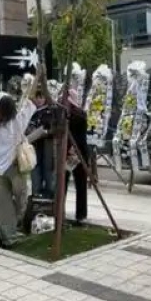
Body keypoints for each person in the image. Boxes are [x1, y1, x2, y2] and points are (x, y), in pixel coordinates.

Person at [0, 87, 38, 248]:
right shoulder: (17, 123)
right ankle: (15, 229)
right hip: (15, 167)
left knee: (3, 203)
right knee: (21, 198)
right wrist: (35, 81)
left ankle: (5, 232)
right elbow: (29, 104)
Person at [64, 89, 89, 223]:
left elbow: (80, 138)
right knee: (62, 184)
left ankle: (81, 214)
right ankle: (60, 211)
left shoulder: (79, 116)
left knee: (80, 185)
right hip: (66, 153)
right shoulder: (63, 114)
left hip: (79, 154)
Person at [27, 90, 57, 199]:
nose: (39, 100)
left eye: (41, 97)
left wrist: (46, 132)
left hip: (47, 144)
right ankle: (36, 193)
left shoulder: (51, 110)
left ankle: (49, 194)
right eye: (37, 97)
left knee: (48, 169)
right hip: (33, 145)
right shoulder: (29, 111)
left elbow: (55, 128)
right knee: (34, 169)